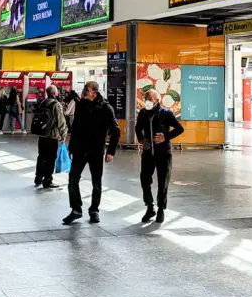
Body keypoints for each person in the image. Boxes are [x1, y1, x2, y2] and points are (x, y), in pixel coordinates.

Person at [63, 81, 121, 225]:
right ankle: (76, 210)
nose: (83, 92)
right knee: (72, 179)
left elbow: (116, 131)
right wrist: (71, 147)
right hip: (80, 150)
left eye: (86, 89)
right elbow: (76, 128)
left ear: (94, 92)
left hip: (96, 150)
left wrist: (111, 151)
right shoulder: (81, 105)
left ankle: (94, 210)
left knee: (96, 182)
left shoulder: (106, 108)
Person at [135, 88, 184, 223]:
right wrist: (141, 139)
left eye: (150, 99)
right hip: (148, 153)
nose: (148, 101)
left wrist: (165, 137)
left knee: (163, 182)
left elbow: (180, 128)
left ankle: (161, 209)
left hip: (163, 153)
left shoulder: (165, 113)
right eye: (146, 99)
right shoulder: (143, 113)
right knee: (145, 179)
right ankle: (150, 207)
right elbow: (138, 128)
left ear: (157, 100)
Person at [34, 85, 69, 189]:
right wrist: (63, 134)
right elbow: (60, 120)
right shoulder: (56, 104)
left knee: (41, 157)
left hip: (42, 134)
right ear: (55, 93)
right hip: (52, 135)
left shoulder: (43, 103)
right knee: (51, 158)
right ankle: (47, 180)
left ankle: (38, 178)